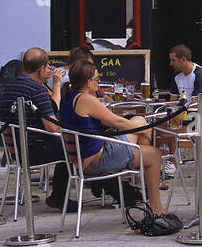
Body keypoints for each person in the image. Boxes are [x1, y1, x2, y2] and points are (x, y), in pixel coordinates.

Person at [58, 59, 168, 217]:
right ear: (88, 82)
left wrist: (142, 128)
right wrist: (147, 130)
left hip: (80, 160)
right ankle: (156, 208)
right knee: (154, 154)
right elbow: (117, 122)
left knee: (138, 122)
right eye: (97, 79)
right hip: (97, 160)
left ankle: (144, 182)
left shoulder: (67, 97)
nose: (99, 83)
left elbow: (106, 121)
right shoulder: (86, 99)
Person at [0, 48, 68, 210]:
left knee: (74, 147)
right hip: (34, 150)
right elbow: (53, 127)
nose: (49, 69)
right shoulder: (36, 89)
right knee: (77, 148)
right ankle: (60, 198)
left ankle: (60, 197)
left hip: (16, 151)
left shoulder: (10, 87)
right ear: (41, 69)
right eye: (47, 66)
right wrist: (56, 85)